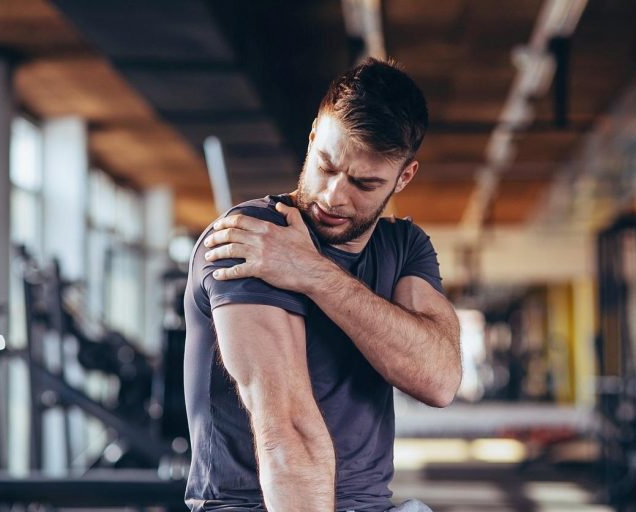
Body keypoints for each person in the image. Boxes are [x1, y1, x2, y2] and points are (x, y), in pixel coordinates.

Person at [183, 58, 462, 512]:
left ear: (403, 177)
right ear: (313, 136)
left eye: (364, 183)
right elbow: (286, 430)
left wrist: (314, 274)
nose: (334, 195)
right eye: (326, 165)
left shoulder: (403, 245)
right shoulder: (253, 237)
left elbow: (439, 379)